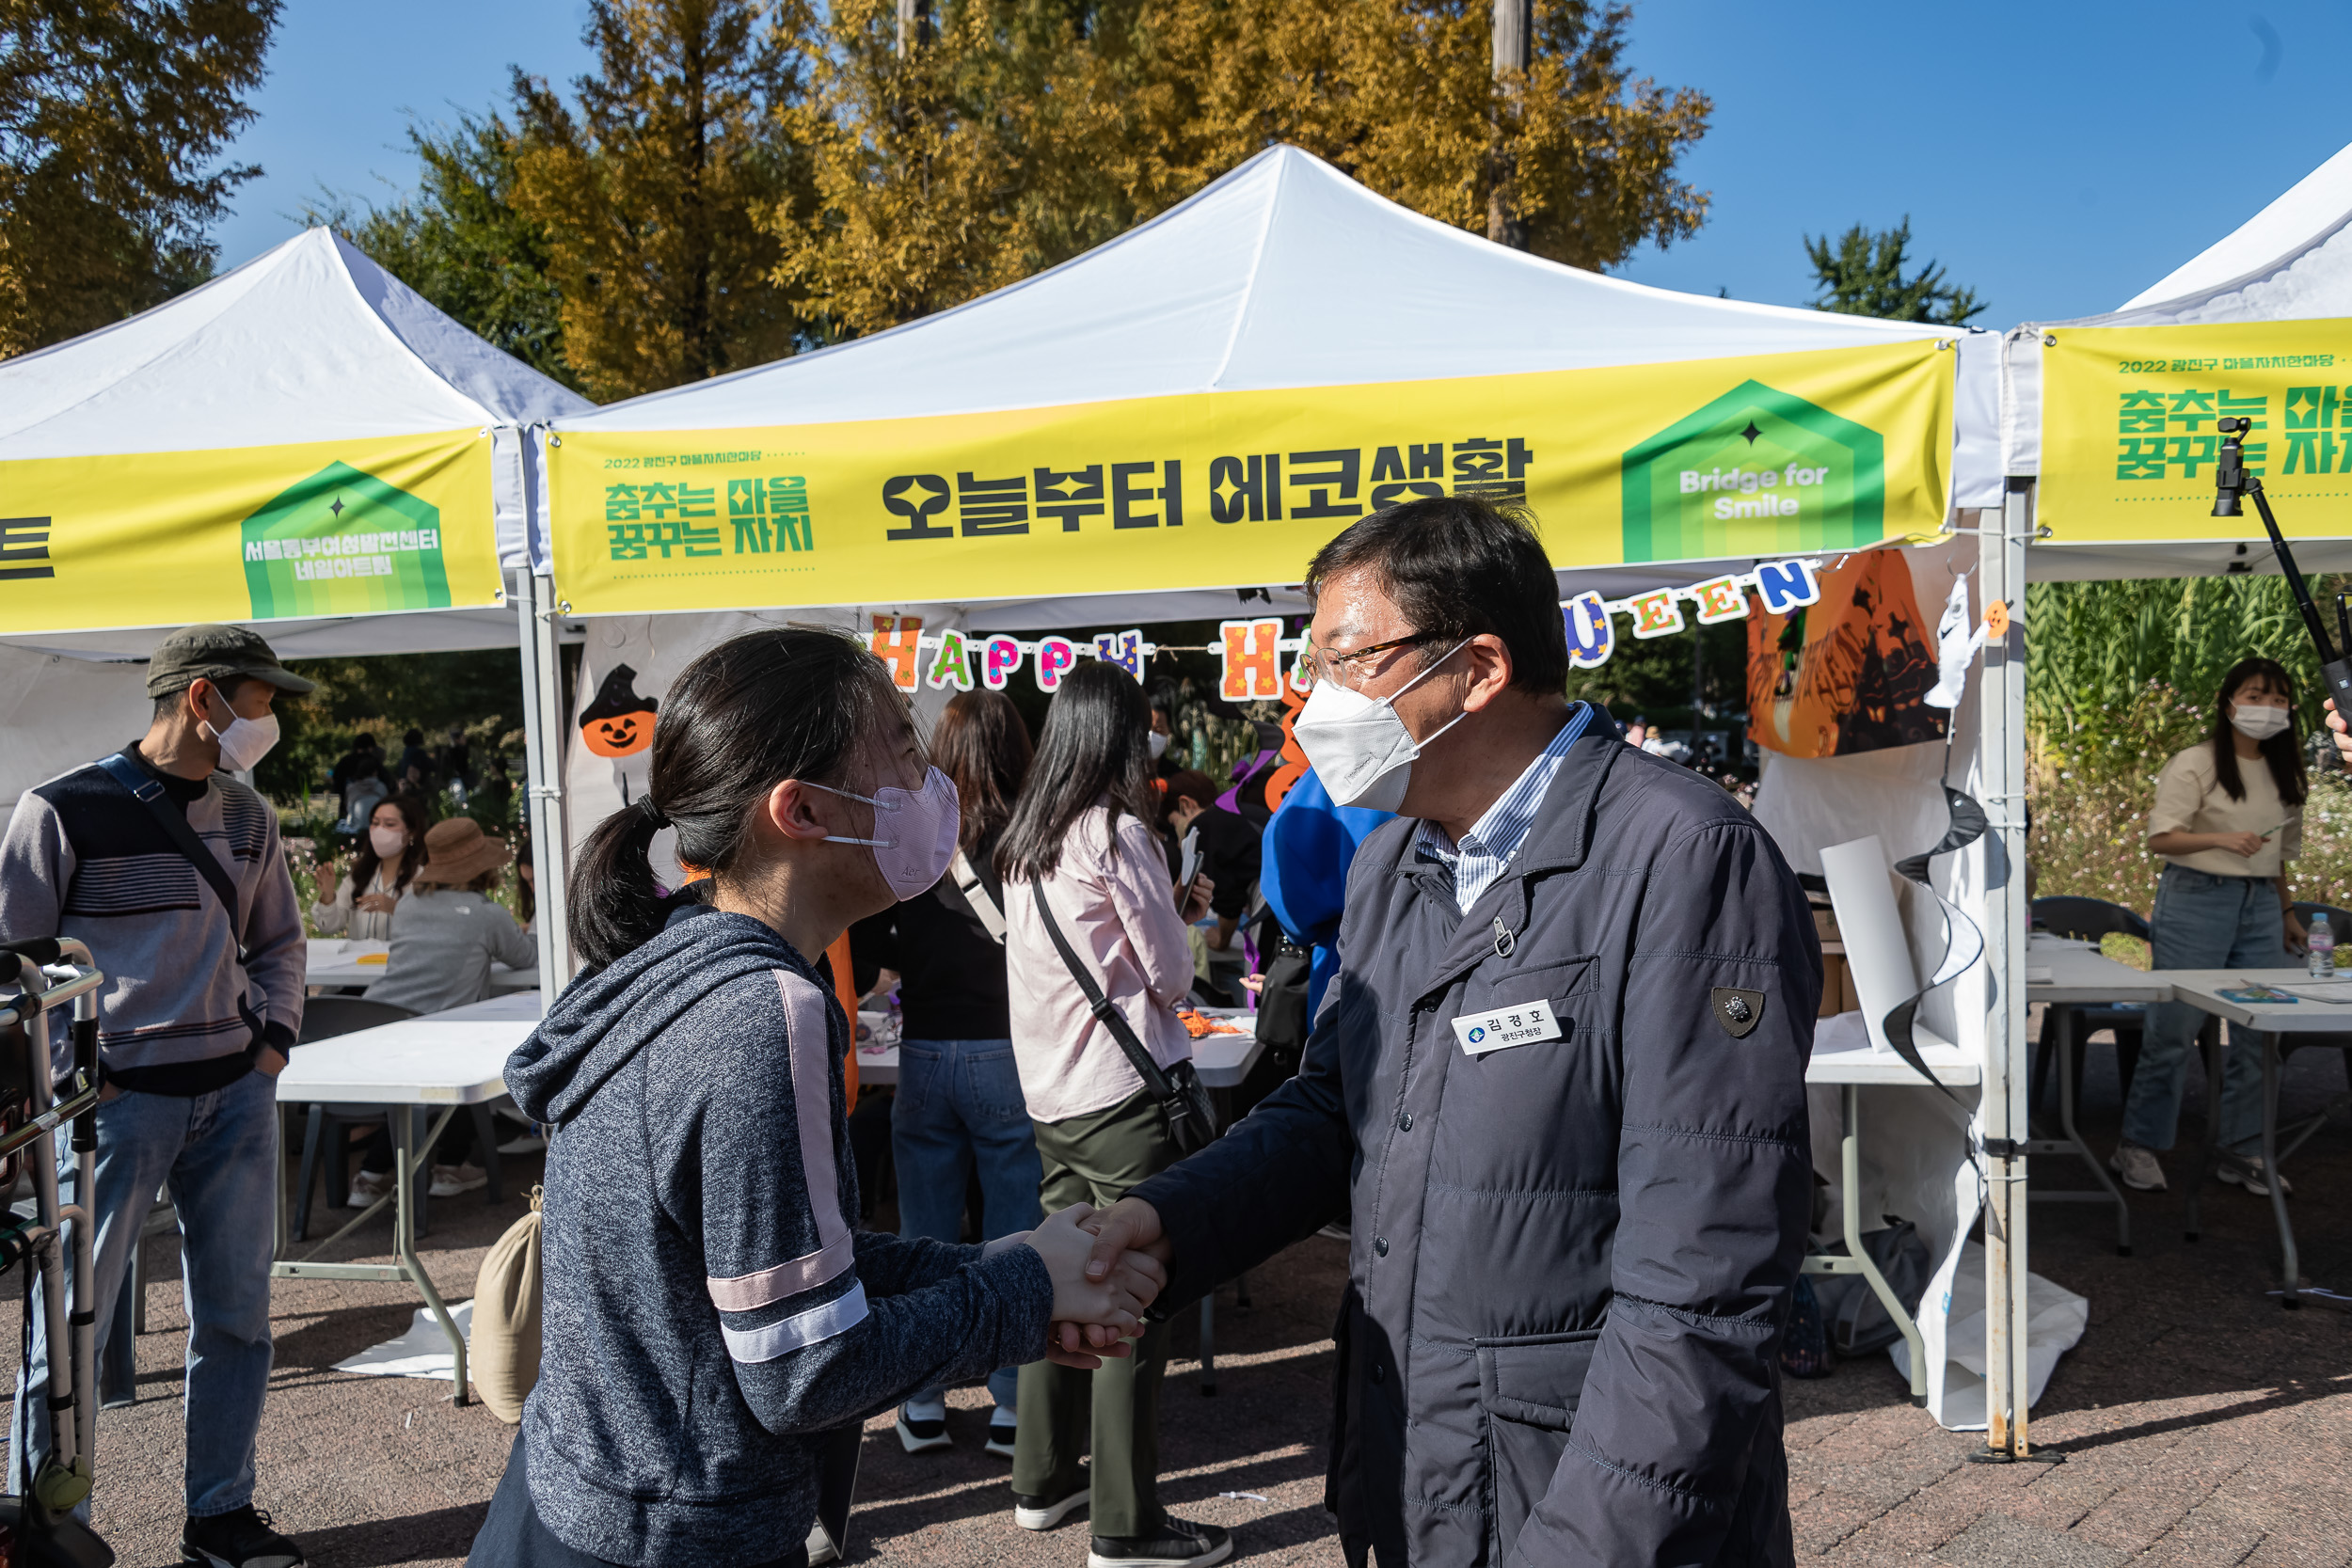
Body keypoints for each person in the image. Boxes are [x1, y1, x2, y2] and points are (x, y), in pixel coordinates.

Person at [1070, 496, 1821, 1568]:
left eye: (1345, 663)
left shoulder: (1685, 858)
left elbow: (1703, 1274)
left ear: (1476, 668)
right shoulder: (1396, 859)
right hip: (1425, 1466)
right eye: (1308, 667)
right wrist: (1165, 1223)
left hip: (1594, 1507)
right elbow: (1335, 1108)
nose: (1312, 704)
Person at [467, 628, 1165, 1568]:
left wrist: (993, 1265)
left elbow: (783, 1258)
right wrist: (1026, 1286)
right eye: (901, 747)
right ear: (799, 809)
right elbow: (802, 1365)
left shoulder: (678, 956)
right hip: (672, 1536)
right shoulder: (768, 1010)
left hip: (577, 1503)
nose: (930, 782)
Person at [0, 623, 313, 1568]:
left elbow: (279, 941)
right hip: (114, 1107)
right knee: (70, 1332)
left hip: (234, 1097)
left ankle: (220, 1514)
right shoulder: (59, 810)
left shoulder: (247, 815)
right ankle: (50, 1530)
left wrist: (272, 1045)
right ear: (201, 696)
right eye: (260, 700)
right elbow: (16, 971)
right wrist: (65, 1082)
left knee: (236, 1316)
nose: (270, 719)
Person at [996, 660, 1228, 1568]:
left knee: (1060, 1274)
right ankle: (1127, 1525)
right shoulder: (1118, 830)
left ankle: (1041, 1479)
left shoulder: (1028, 837)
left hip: (1053, 1098)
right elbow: (1170, 977)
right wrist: (1182, 917)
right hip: (1126, 1096)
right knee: (1135, 1292)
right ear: (1123, 735)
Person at [849, 689, 1041, 1459]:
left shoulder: (918, 841)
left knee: (921, 1234)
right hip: (1009, 1054)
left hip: (923, 1052)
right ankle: (1014, 1408)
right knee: (1015, 1232)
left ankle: (920, 1403)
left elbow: (873, 942)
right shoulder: (1035, 835)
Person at [2117, 657, 2309, 1197]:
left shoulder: (2285, 771)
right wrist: (2221, 840)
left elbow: (2277, 858)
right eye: (2255, 696)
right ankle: (2139, 1144)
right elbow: (2162, 839)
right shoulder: (2195, 762)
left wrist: (2287, 912)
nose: (2266, 708)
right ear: (2229, 704)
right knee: (2174, 1027)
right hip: (2196, 898)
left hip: (2260, 904)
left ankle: (2242, 1149)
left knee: (2260, 1031)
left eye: (2278, 700)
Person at [351, 817, 535, 1199]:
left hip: (378, 1021)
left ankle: (372, 1175)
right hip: (437, 1036)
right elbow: (525, 958)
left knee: (417, 1085)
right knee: (467, 1060)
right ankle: (447, 1166)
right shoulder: (486, 914)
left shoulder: (407, 905)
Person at [1159, 769, 1261, 1006]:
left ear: (1186, 805)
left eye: (1174, 824)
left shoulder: (1202, 826)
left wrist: (1221, 939)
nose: (1177, 836)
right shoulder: (1234, 812)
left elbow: (1228, 899)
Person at [310, 793, 427, 941]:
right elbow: (329, 926)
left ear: (411, 832)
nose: (380, 830)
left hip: (402, 962)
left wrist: (396, 909)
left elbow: (434, 928)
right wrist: (328, 895)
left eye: (390, 824)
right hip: (359, 963)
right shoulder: (359, 876)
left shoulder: (423, 879)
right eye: (375, 823)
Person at [329, 733, 390, 834]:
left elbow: (337, 784)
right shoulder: (374, 762)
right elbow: (386, 783)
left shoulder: (345, 762)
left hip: (349, 809)